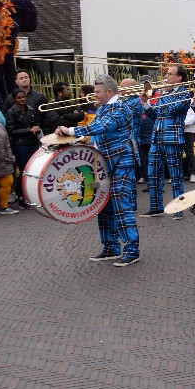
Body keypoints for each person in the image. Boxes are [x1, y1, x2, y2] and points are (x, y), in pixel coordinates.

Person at [55, 76, 141, 266]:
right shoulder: (103, 109)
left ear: (109, 92)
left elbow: (100, 127)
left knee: (121, 205)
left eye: (98, 92)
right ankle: (110, 246)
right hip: (104, 163)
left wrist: (69, 131)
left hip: (122, 162)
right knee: (104, 206)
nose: (95, 95)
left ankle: (132, 249)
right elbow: (97, 135)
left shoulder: (120, 107)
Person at [141, 64, 192, 219]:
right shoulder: (164, 94)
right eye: (167, 74)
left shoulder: (184, 93)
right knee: (153, 174)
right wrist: (148, 102)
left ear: (179, 77)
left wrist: (163, 93)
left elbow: (172, 110)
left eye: (170, 74)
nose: (166, 77)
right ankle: (156, 207)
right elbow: (154, 115)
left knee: (175, 176)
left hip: (173, 139)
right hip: (157, 138)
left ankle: (178, 209)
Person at [4, 89, 42, 209]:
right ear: (14, 99)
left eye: (24, 97)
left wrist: (36, 129)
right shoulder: (11, 112)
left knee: (33, 170)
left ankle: (31, 195)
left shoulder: (31, 109)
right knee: (24, 171)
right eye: (19, 97)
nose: (22, 99)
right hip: (20, 145)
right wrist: (28, 130)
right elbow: (11, 131)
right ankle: (21, 197)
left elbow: (37, 123)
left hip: (33, 142)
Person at [183, 105, 195, 183]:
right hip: (178, 131)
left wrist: (184, 123)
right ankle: (181, 174)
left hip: (189, 131)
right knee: (177, 153)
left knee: (189, 153)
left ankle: (192, 174)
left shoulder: (191, 104)